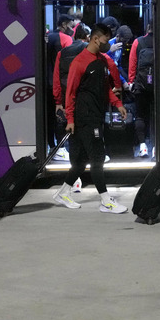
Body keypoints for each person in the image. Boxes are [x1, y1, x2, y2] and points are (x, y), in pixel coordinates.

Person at [53, 23, 128, 214]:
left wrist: (118, 104)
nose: (107, 43)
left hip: (95, 115)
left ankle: (63, 193)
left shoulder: (101, 61)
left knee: (80, 161)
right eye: (105, 39)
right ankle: (106, 201)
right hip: (85, 117)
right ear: (96, 39)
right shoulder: (79, 62)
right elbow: (69, 94)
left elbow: (104, 89)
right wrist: (70, 119)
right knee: (97, 158)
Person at [52, 23, 90, 161]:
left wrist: (58, 101)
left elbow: (56, 79)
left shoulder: (61, 53)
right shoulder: (89, 50)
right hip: (85, 96)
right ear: (87, 37)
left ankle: (68, 155)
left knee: (68, 125)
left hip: (67, 95)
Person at [46, 14, 74, 153]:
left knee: (49, 116)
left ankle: (51, 145)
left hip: (45, 83)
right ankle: (61, 148)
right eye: (70, 25)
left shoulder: (47, 37)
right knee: (60, 116)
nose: (72, 29)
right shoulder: (66, 39)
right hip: (59, 84)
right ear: (63, 24)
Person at [128, 22, 154, 158]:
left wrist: (131, 81)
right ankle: (156, 147)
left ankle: (143, 146)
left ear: (148, 27)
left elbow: (132, 64)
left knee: (140, 115)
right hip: (158, 85)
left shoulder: (138, 42)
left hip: (141, 84)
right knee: (156, 116)